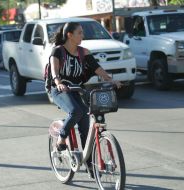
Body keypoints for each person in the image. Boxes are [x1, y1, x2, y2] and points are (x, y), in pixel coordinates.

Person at [50, 22, 122, 177]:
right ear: (69, 35)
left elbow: (97, 68)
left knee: (85, 126)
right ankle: (62, 139)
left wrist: (111, 80)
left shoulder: (84, 52)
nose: (83, 36)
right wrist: (58, 82)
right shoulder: (58, 51)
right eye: (79, 33)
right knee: (76, 111)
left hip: (76, 90)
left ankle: (91, 167)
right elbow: (54, 72)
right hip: (58, 90)